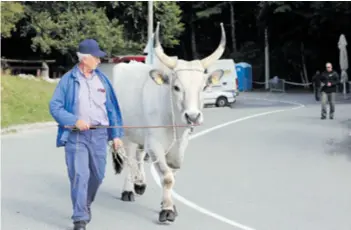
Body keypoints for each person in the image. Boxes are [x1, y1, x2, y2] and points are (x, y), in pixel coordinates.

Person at [49, 39, 124, 230]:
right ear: (85, 59)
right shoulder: (68, 80)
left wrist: (116, 135)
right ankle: (80, 217)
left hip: (99, 135)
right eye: (96, 57)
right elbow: (55, 106)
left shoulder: (103, 80)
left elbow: (112, 109)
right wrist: (74, 120)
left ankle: (85, 203)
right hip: (76, 136)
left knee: (97, 176)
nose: (99, 60)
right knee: (79, 176)